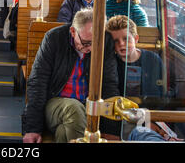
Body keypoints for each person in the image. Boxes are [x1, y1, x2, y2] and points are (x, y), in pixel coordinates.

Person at [22, 8, 120, 143]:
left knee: (63, 132)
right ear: (73, 32)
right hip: (55, 103)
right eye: (86, 43)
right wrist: (33, 128)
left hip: (88, 107)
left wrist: (110, 131)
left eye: (96, 43)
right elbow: (38, 82)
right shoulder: (54, 39)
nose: (91, 48)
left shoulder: (105, 42)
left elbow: (109, 84)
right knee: (73, 109)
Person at [106, 15, 163, 98]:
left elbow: (162, 89)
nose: (121, 44)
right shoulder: (111, 63)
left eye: (126, 39)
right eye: (116, 41)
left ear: (136, 39)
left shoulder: (152, 59)